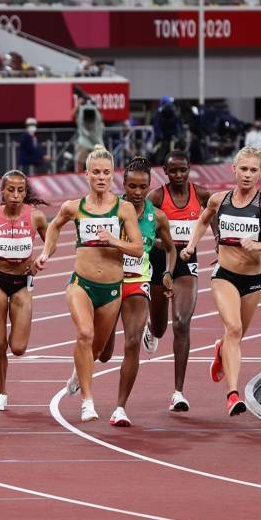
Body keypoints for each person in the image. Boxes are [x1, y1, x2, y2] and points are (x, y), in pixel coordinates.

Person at [34, 145, 143, 423]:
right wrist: (46, 252)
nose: (101, 177)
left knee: (96, 351)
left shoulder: (124, 209)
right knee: (85, 333)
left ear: (113, 175)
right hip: (81, 284)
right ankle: (87, 401)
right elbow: (54, 226)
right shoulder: (74, 207)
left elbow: (138, 249)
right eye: (96, 172)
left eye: (106, 172)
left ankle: (77, 372)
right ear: (86, 175)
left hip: (111, 289)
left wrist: (114, 240)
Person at [180, 146, 261, 416]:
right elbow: (203, 220)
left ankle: (221, 351)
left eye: (254, 170)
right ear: (234, 169)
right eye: (243, 169)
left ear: (260, 173)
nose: (248, 175)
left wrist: (260, 246)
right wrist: (191, 246)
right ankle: (232, 395)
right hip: (224, 274)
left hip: (252, 279)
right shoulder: (219, 200)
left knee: (237, 335)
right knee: (233, 327)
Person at [97, 157, 176, 426]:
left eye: (143, 187)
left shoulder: (158, 216)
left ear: (150, 185)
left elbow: (170, 247)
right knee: (103, 352)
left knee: (131, 344)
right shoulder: (110, 208)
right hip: (108, 281)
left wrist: (167, 272)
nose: (137, 192)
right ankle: (80, 367)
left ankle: (120, 408)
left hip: (137, 281)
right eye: (132, 186)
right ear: (124, 184)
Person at [0, 169, 48, 411]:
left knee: (18, 347)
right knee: (0, 342)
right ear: (2, 192)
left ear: (25, 192)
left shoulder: (36, 217)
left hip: (22, 283)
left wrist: (40, 260)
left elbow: (50, 242)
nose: (15, 195)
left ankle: (3, 388)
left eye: (20, 190)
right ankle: (1, 393)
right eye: (10, 190)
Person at [144, 150, 212, 411]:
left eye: (183, 169)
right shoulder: (157, 196)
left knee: (182, 323)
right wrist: (165, 243)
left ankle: (178, 392)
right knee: (161, 328)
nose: (179, 175)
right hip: (159, 263)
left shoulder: (201, 195)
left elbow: (212, 217)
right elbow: (145, 230)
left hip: (186, 261)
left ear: (189, 169)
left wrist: (219, 245)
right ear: (165, 171)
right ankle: (151, 329)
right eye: (173, 170)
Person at [73, 93, 104, 173]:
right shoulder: (81, 114)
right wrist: (79, 105)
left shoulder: (97, 116)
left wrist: (79, 105)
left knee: (99, 165)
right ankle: (79, 179)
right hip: (84, 142)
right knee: (80, 162)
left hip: (96, 142)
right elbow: (72, 115)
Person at [152, 96, 184, 164]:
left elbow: (178, 124)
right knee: (160, 155)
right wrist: (160, 136)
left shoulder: (173, 112)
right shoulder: (160, 114)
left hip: (170, 138)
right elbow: (157, 126)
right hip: (164, 139)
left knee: (171, 155)